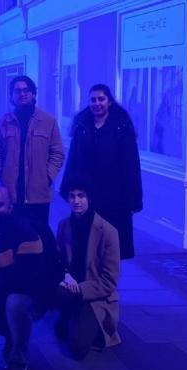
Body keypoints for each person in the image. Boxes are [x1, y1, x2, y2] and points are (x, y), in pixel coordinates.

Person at [0, 185, 61, 370]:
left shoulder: (26, 232)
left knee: (15, 304)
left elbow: (24, 281)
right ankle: (7, 334)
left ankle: (18, 358)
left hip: (30, 294)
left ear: (10, 207)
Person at [60, 84, 142, 259]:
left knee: (112, 246)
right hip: (87, 194)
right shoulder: (82, 125)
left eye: (101, 99)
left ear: (109, 101)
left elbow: (131, 165)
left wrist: (134, 198)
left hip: (115, 195)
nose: (97, 103)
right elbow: (73, 159)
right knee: (87, 245)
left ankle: (109, 284)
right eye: (93, 100)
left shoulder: (121, 126)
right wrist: (67, 188)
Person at [55, 178, 121, 359]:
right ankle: (68, 314)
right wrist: (65, 275)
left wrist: (79, 289)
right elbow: (58, 259)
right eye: (72, 196)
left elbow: (110, 281)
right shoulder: (64, 225)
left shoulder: (108, 232)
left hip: (95, 295)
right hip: (69, 285)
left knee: (78, 350)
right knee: (51, 290)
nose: (76, 201)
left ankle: (92, 323)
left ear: (89, 199)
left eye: (81, 196)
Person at [0, 76, 64, 228]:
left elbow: (57, 153)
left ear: (33, 94)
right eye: (17, 91)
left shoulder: (48, 121)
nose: (22, 94)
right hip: (10, 195)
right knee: (12, 239)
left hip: (38, 195)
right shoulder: (3, 122)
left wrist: (48, 176)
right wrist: (2, 175)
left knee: (38, 240)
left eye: (26, 90)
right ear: (12, 95)